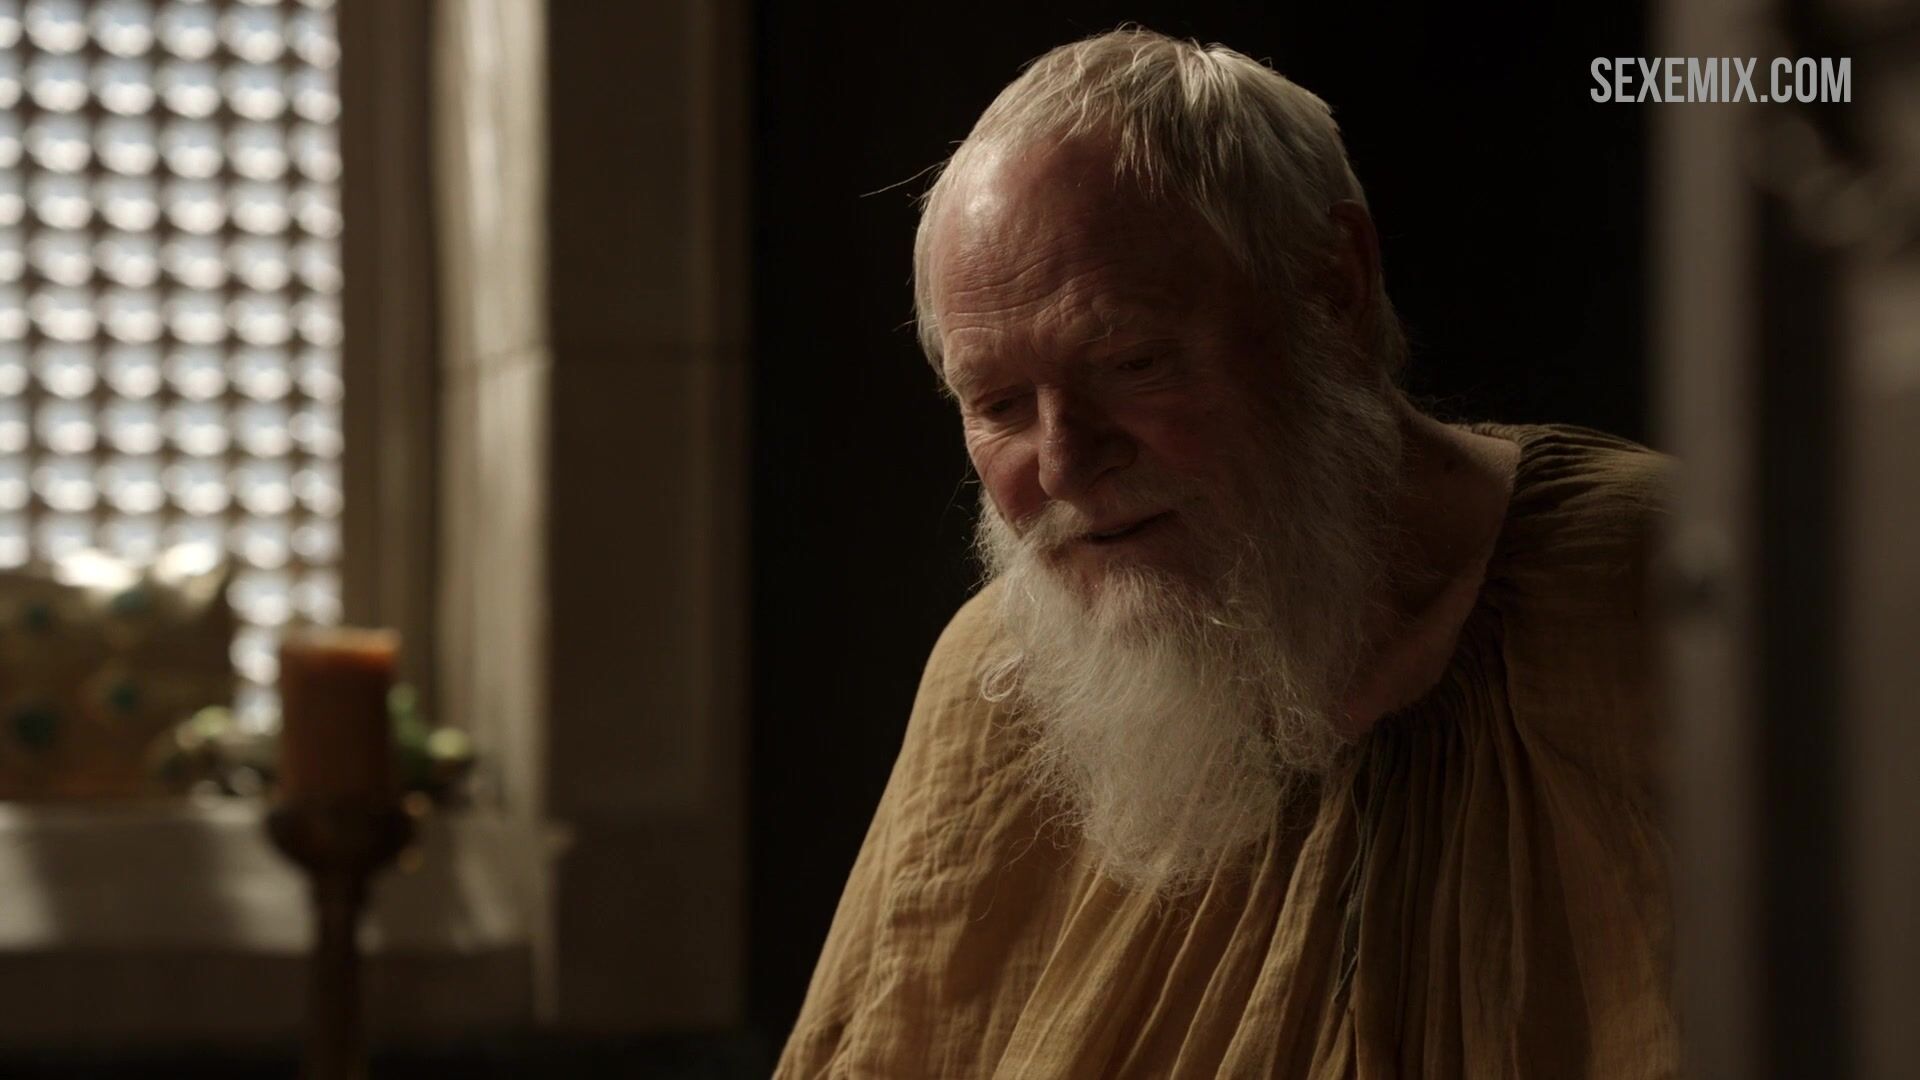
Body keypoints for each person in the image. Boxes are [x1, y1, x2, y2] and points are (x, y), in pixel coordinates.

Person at [777, 27, 1677, 1079]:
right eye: (1001, 405)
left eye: (1131, 361)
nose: (1063, 465)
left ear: (1332, 288)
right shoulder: (999, 687)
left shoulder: (1673, 591)